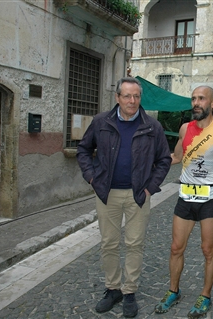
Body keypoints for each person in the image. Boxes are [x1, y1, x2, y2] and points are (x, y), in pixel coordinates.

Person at [77, 77, 171, 318]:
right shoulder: (101, 122)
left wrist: (150, 187)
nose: (132, 101)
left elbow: (164, 159)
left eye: (136, 96)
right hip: (107, 193)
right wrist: (91, 178)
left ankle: (129, 291)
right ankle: (112, 289)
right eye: (127, 96)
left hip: (138, 195)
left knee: (134, 244)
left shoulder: (152, 126)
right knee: (109, 243)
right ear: (117, 97)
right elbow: (83, 150)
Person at [154, 86, 213, 318]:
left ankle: (205, 295)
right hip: (186, 197)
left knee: (208, 250)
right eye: (193, 99)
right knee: (176, 247)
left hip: (210, 198)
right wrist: (147, 161)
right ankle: (173, 291)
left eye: (201, 99)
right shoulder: (185, 128)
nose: (196, 103)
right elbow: (177, 157)